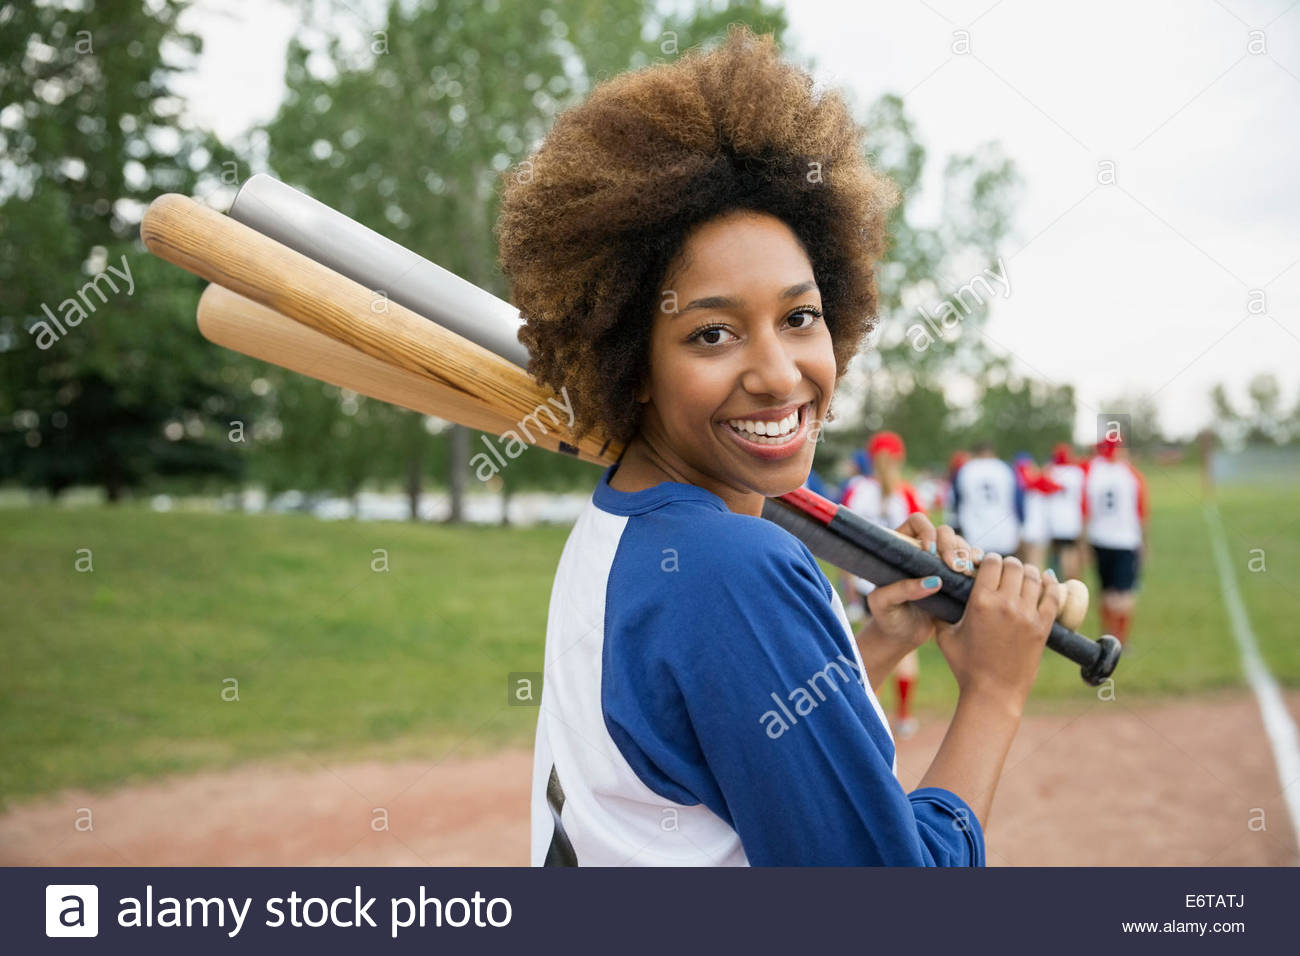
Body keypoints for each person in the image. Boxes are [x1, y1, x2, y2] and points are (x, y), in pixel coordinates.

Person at [498, 27, 1060, 867]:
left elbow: (722, 748)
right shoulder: (732, 564)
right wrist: (994, 691)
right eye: (713, 332)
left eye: (800, 317)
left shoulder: (624, 530)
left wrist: (861, 654)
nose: (777, 373)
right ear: (631, 361)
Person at [841, 431, 925, 738]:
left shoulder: (857, 490)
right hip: (902, 583)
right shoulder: (908, 493)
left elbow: (842, 539)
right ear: (899, 457)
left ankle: (872, 719)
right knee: (904, 651)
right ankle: (903, 717)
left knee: (869, 651)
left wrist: (848, 581)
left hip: (865, 582)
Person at [1083, 435, 1147, 644]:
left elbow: (1085, 510)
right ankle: (1120, 638)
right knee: (1124, 593)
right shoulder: (1130, 474)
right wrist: (1145, 543)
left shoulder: (1093, 472)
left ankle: (1106, 634)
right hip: (1125, 540)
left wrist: (1083, 543)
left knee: (1105, 590)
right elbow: (1142, 512)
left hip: (1099, 538)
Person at [952, 440, 1021, 557]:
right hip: (1004, 531)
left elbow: (956, 502)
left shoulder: (966, 469)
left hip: (973, 530)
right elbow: (1018, 501)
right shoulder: (1005, 468)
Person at [1044, 442, 1087, 582]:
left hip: (1054, 521)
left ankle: (1057, 584)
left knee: (1056, 557)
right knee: (1070, 555)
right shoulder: (1077, 473)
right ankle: (1070, 583)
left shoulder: (1050, 471)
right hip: (1071, 521)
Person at [1012, 452, 1061, 571]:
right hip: (1036, 531)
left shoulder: (1020, 485)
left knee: (1027, 566)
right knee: (1035, 566)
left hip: (1027, 530)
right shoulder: (1038, 482)